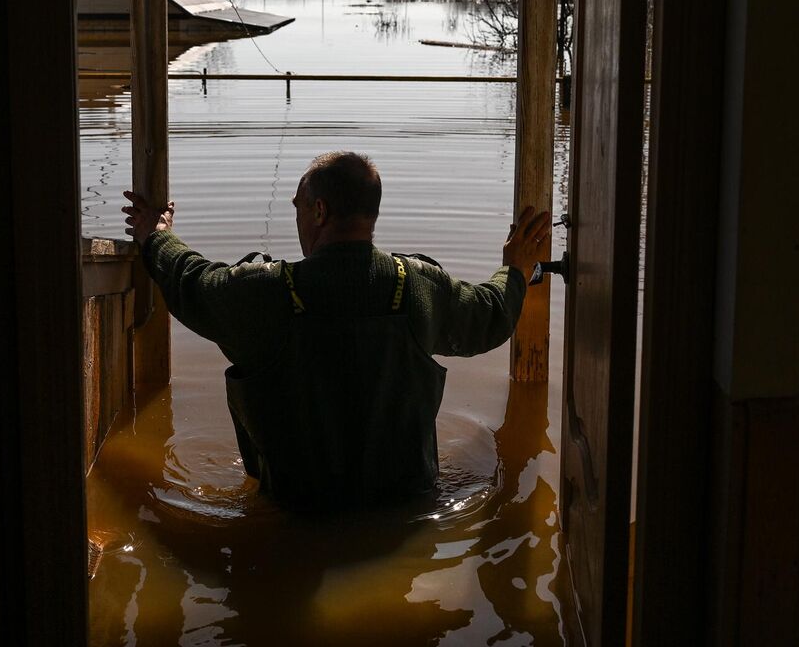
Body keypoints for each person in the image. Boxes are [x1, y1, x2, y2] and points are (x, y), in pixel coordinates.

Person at [121, 151, 551, 510]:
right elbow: (491, 315)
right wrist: (514, 270)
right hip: (406, 508)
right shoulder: (418, 285)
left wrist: (157, 236)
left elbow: (190, 281)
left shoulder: (265, 292)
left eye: (298, 208)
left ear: (319, 210)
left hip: (296, 512)